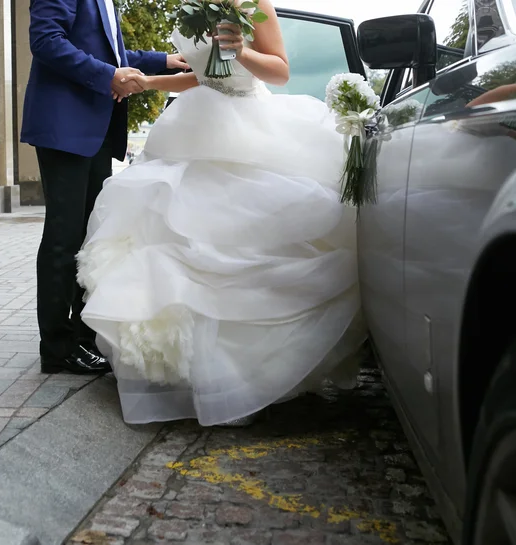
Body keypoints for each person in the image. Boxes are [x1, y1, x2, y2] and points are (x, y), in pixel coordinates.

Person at [76, 0, 366, 426]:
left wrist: (241, 51)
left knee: (237, 251)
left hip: (249, 132)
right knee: (174, 238)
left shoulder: (253, 3)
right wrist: (151, 82)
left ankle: (246, 377)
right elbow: (205, 76)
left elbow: (280, 70)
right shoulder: (195, 6)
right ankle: (191, 375)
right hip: (194, 128)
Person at [20, 0, 189, 375]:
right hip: (65, 126)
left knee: (91, 236)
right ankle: (57, 347)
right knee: (64, 237)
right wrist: (107, 76)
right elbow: (46, 40)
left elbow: (107, 51)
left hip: (93, 129)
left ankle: (83, 337)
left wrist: (162, 61)